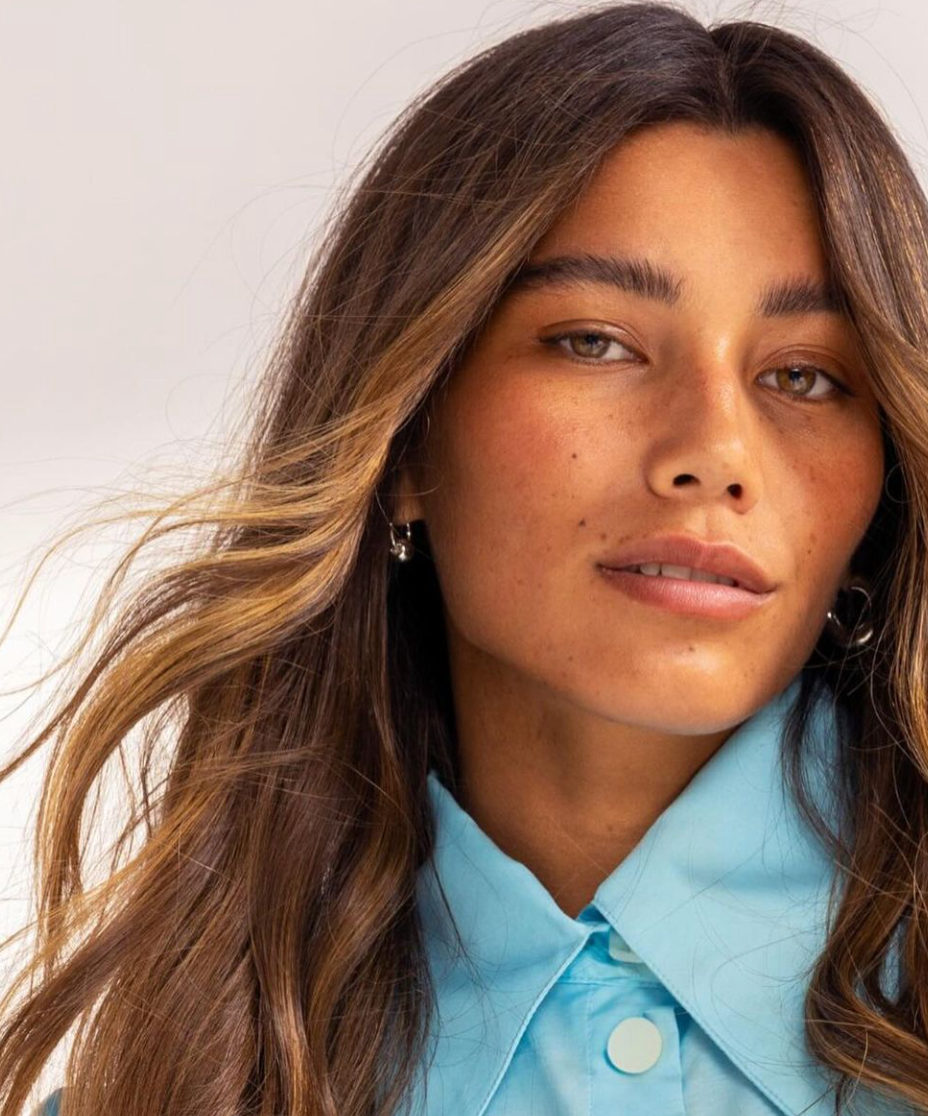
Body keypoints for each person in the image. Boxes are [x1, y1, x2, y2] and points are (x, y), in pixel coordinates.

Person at [4, 1, 927, 1113]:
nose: (715, 454)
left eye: (805, 375)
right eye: (595, 341)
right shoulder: (163, 1086)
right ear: (401, 436)